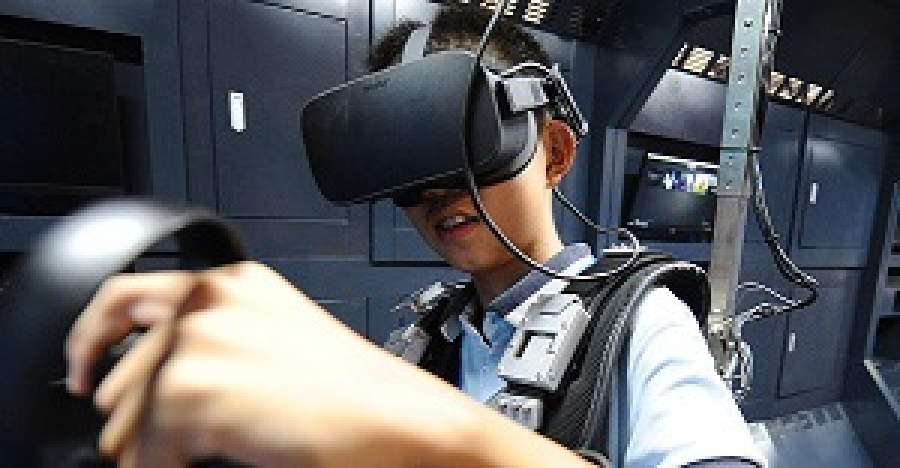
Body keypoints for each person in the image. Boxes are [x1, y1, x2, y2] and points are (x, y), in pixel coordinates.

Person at [65, 5, 766, 467]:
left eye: (469, 155)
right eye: (410, 172)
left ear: (553, 153)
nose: (439, 196)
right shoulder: (432, 336)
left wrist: (412, 420)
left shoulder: (642, 323)